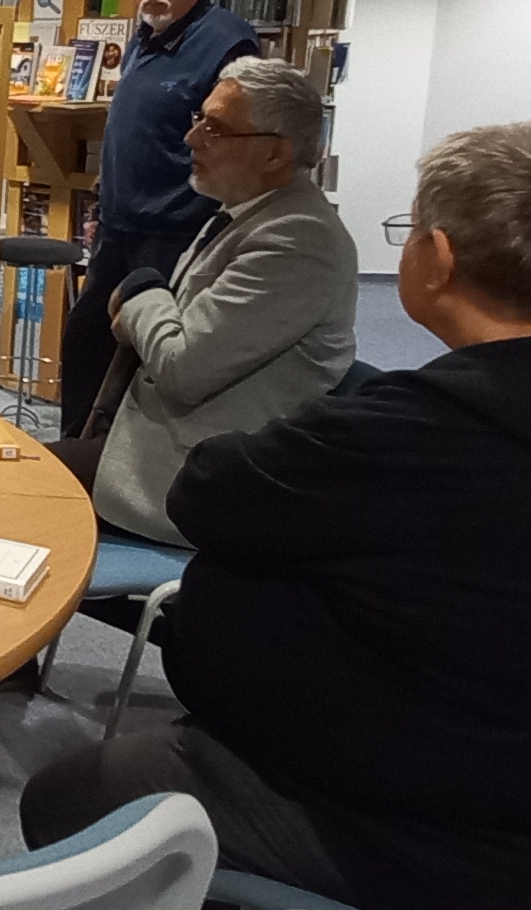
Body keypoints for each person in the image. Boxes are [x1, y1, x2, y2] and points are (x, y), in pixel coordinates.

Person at [17, 118, 531, 910]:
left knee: (75, 798)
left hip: (425, 840)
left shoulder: (425, 435)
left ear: (436, 259)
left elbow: (208, 490)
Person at [51, 58, 354, 548]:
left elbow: (181, 368)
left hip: (187, 478)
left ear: (275, 154)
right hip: (141, 443)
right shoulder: (245, 214)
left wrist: (142, 292)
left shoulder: (298, 240)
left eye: (216, 128)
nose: (191, 139)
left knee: (1, 492)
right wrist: (147, 307)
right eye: (199, 120)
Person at [56, 0, 262, 427]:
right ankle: (77, 453)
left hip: (177, 233)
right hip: (119, 229)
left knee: (148, 362)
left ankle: (122, 462)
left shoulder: (229, 42)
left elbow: (237, 141)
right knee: (87, 343)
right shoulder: (144, 36)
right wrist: (101, 208)